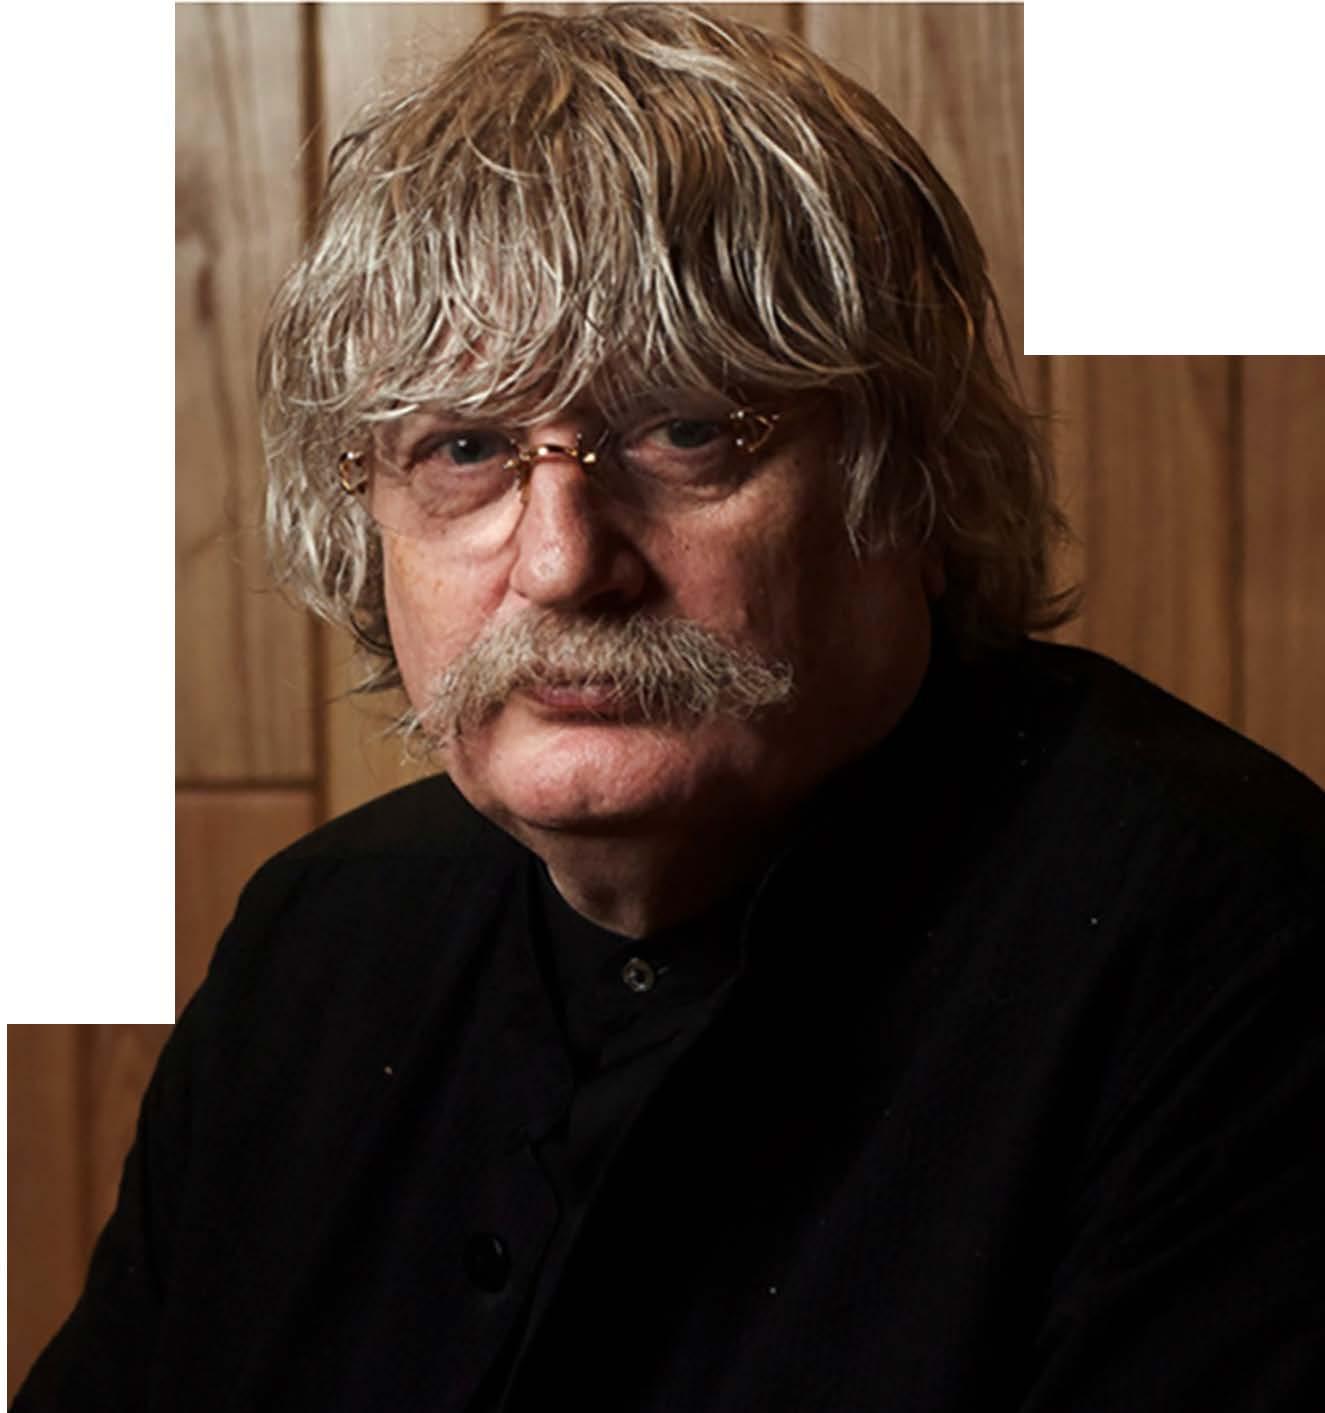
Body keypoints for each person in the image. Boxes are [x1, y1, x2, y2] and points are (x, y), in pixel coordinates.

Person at [20, 5, 1323, 1409]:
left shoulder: (1233, 939)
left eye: (684, 429)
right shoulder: (319, 941)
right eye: (464, 448)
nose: (562, 560)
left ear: (910, 478)